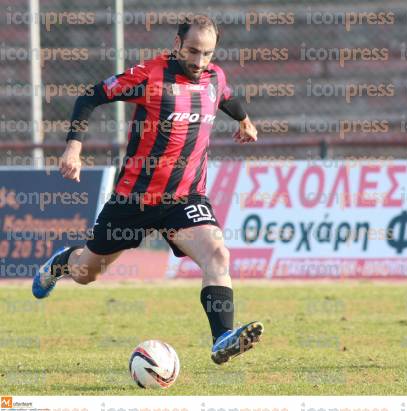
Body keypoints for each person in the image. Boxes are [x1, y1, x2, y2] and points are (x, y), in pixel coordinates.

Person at [32, 15, 263, 365]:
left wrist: (244, 121)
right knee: (86, 273)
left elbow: (226, 97)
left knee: (218, 254)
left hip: (185, 199)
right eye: (193, 51)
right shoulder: (150, 76)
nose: (200, 62)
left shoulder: (215, 76)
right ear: (176, 44)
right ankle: (63, 262)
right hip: (133, 199)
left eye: (208, 54)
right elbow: (89, 97)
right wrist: (73, 148)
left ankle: (222, 338)